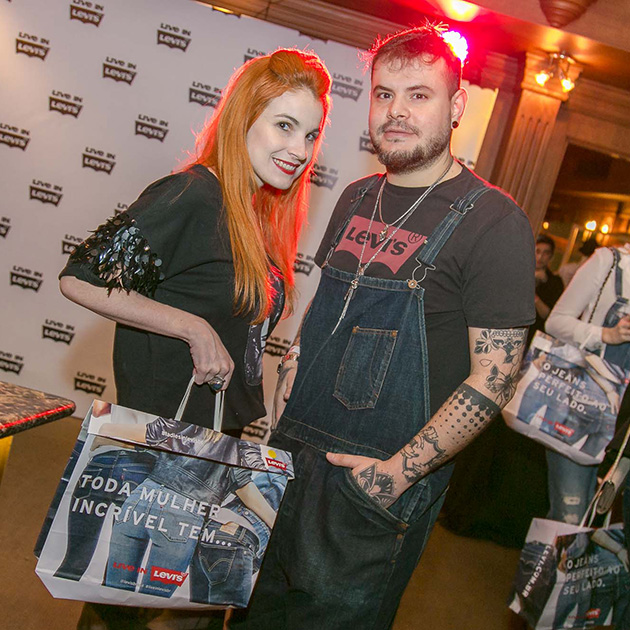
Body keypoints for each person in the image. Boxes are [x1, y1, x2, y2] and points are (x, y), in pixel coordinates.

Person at [234, 24, 535, 629]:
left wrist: (396, 475)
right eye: (384, 94)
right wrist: (292, 361)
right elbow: (331, 302)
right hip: (289, 459)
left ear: (456, 106)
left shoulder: (494, 222)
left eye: (419, 95)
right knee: (251, 615)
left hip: (372, 485)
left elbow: (496, 377)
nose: (396, 111)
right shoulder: (354, 196)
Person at [58, 48, 331, 630]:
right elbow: (80, 278)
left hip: (215, 446)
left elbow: (239, 321)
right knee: (123, 604)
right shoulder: (192, 194)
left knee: (195, 605)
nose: (300, 149)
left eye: (310, 134)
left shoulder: (252, 211)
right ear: (243, 119)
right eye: (284, 126)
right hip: (163, 448)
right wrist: (191, 326)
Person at [545, 244, 630, 526]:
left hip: (625, 429)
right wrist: (605, 334)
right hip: (585, 407)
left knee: (606, 528)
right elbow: (555, 322)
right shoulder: (609, 261)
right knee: (570, 518)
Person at [529, 233, 564, 345]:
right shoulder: (519, 272)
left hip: (535, 337)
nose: (540, 257)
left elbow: (548, 316)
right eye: (537, 251)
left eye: (545, 253)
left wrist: (532, 292)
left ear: (551, 256)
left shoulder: (555, 282)